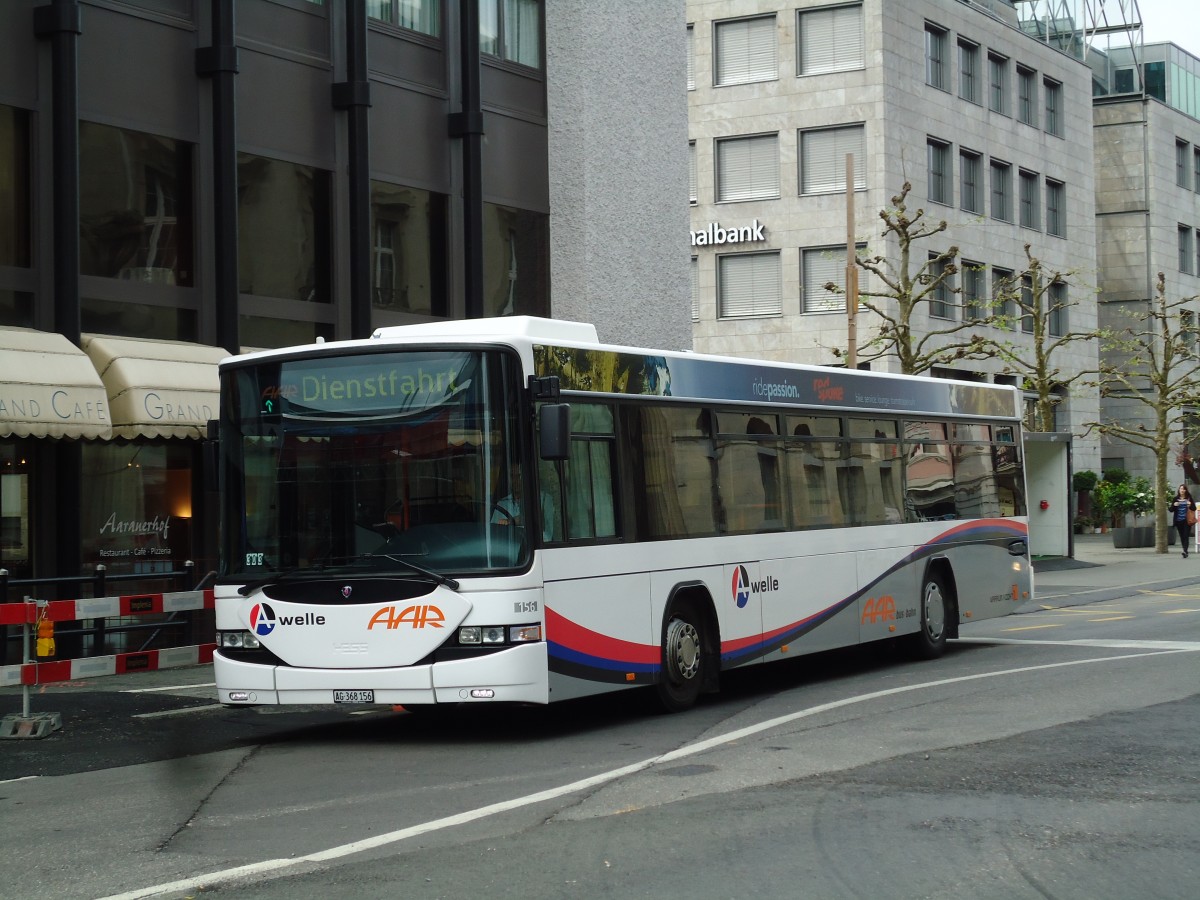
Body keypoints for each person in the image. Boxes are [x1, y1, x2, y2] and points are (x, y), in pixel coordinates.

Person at [491, 461, 555, 541]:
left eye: (518, 476)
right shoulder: (502, 504)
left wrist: (512, 521)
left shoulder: (544, 500)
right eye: (512, 477)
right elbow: (494, 534)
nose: (515, 481)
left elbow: (548, 533)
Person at [1169, 483, 1196, 558]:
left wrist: (1190, 504)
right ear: (1179, 490)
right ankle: (1184, 549)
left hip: (1187, 520)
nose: (1182, 490)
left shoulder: (1189, 498)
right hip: (1178, 520)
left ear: (1186, 490)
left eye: (1184, 489)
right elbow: (1171, 510)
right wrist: (1174, 505)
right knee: (1182, 536)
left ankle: (1185, 551)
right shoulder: (1176, 499)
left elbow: (1194, 508)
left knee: (1186, 535)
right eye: (1181, 489)